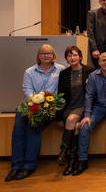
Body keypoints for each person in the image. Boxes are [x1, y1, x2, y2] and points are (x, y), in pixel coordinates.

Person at [5, 45, 64, 182]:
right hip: (28, 106)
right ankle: (16, 166)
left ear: (53, 55)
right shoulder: (30, 72)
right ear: (39, 56)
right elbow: (28, 91)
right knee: (18, 129)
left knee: (33, 128)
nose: (46, 56)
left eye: (48, 53)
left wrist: (44, 105)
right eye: (43, 53)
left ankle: (29, 165)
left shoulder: (61, 69)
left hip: (49, 109)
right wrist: (36, 103)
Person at [73, 52, 106, 176]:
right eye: (104, 60)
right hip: (98, 107)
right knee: (84, 126)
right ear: (99, 62)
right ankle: (82, 161)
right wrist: (86, 115)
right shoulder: (92, 76)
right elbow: (89, 96)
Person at [56, 46, 93, 176]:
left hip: (84, 106)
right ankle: (72, 162)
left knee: (72, 120)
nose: (72, 58)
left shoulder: (89, 71)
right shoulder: (64, 74)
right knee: (76, 126)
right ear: (66, 59)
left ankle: (63, 152)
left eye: (75, 55)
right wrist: (59, 117)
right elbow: (60, 95)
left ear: (80, 57)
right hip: (68, 107)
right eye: (69, 56)